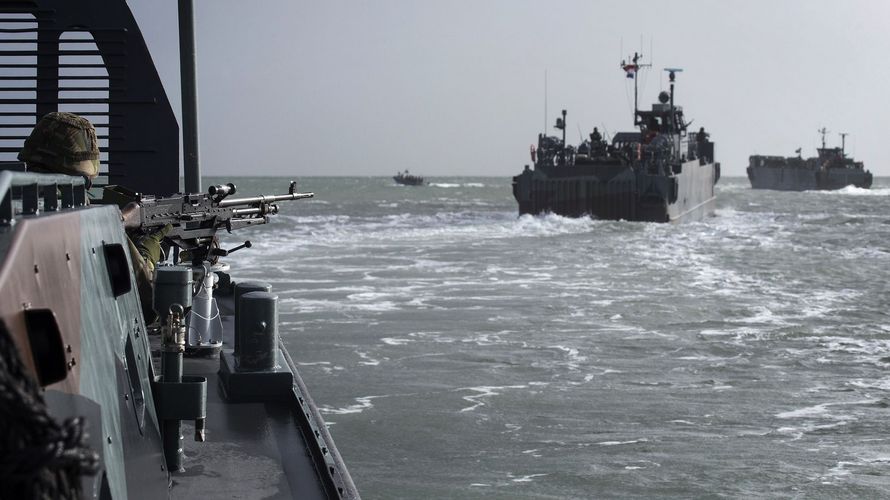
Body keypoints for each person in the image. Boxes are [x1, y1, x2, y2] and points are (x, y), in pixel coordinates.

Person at [18, 112, 169, 321]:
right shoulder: (83, 217)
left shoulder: (11, 199)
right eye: (87, 182)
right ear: (80, 174)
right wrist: (148, 249)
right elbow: (148, 305)